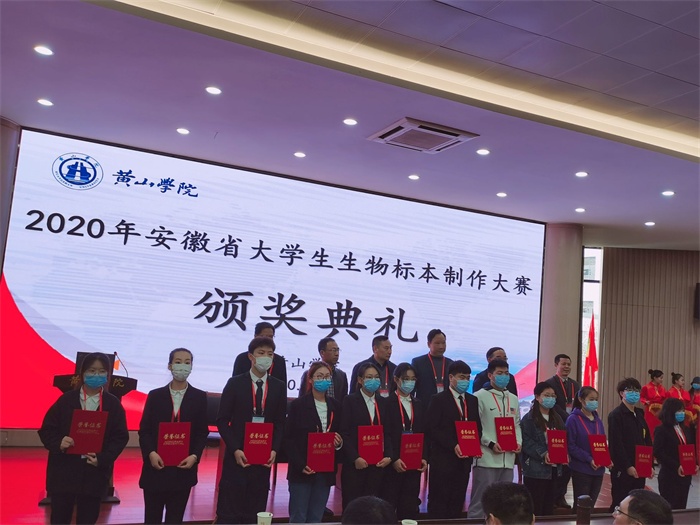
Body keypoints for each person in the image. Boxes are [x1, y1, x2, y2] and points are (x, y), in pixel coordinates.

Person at [38, 352, 129, 525]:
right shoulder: (66, 400)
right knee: (59, 518)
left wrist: (103, 458)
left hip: (94, 473)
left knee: (88, 518)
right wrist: (59, 442)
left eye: (101, 371)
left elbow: (120, 437)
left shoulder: (113, 404)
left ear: (108, 375)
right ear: (82, 373)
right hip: (64, 472)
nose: (96, 375)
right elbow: (47, 430)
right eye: (92, 371)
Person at [215, 336, 287, 524]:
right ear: (251, 357)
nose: (266, 357)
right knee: (229, 513)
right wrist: (235, 449)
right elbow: (222, 420)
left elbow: (280, 422)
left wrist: (274, 449)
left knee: (254, 513)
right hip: (237, 457)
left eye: (270, 354)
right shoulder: (235, 383)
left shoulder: (278, 386)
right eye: (261, 353)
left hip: (263, 460)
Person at [138, 348, 209, 524]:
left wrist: (194, 456)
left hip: (183, 470)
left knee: (175, 519)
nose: (182, 366)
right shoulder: (155, 396)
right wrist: (151, 453)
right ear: (169, 366)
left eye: (187, 362)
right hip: (156, 469)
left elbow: (202, 432)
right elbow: (144, 430)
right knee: (152, 519)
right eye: (178, 362)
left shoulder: (200, 397)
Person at [284, 361, 343, 523]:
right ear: (310, 379)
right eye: (319, 376)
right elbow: (288, 438)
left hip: (325, 470)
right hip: (302, 469)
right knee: (298, 516)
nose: (324, 380)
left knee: (316, 517)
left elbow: (340, 434)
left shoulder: (336, 406)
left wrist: (338, 442)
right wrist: (300, 464)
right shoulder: (298, 405)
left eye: (327, 377)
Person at [425, 359, 481, 519]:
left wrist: (475, 445)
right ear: (451, 377)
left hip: (464, 462)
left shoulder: (472, 400)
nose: (465, 381)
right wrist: (453, 445)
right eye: (461, 377)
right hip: (443, 460)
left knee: (457, 501)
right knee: (439, 501)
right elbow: (432, 429)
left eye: (468, 378)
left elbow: (477, 427)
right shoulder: (438, 399)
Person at [467, 359, 521, 519]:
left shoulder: (513, 398)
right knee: (480, 503)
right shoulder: (479, 396)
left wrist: (518, 442)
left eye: (506, 374)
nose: (504, 377)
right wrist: (489, 443)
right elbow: (476, 427)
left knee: (504, 503)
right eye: (499, 373)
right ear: (490, 375)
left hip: (508, 458)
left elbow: (516, 424)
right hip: (486, 458)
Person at [340, 362, 392, 511]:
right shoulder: (350, 400)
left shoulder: (383, 402)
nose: (373, 380)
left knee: (372, 508)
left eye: (376, 377)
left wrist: (389, 456)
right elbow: (344, 432)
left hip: (377, 464)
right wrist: (355, 458)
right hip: (355, 465)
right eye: (369, 377)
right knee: (353, 506)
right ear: (360, 380)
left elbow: (387, 432)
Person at [381, 363, 427, 520]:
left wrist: (424, 457)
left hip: (413, 463)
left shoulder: (418, 404)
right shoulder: (386, 403)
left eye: (413, 379)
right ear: (396, 379)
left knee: (409, 506)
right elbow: (385, 434)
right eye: (406, 379)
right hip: (393, 465)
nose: (410, 382)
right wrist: (394, 458)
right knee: (388, 506)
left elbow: (424, 433)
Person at [520, 382, 565, 516]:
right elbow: (526, 441)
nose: (550, 398)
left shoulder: (557, 418)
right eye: (547, 395)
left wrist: (564, 453)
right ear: (537, 397)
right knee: (535, 508)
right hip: (535, 470)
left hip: (554, 469)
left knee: (548, 508)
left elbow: (562, 439)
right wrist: (543, 453)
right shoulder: (529, 419)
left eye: (553, 396)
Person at [607, 377, 652, 512]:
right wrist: (627, 466)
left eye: (637, 391)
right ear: (622, 393)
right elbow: (616, 444)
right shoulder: (616, 415)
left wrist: (649, 464)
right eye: (630, 390)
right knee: (620, 503)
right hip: (624, 469)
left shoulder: (639, 413)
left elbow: (647, 439)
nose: (635, 393)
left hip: (641, 466)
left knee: (636, 504)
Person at [544, 353, 580, 509]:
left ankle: (561, 496)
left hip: (572, 428)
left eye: (568, 364)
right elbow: (553, 405)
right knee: (556, 464)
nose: (566, 367)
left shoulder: (575, 385)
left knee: (567, 465)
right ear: (556, 365)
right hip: (556, 425)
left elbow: (578, 404)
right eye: (563, 364)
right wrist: (568, 417)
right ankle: (551, 496)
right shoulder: (549, 383)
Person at [566, 386, 609, 511]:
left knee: (591, 507)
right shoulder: (573, 419)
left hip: (598, 470)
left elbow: (601, 443)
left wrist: (606, 459)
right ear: (581, 399)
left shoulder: (597, 420)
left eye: (596, 399)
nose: (594, 402)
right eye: (591, 399)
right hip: (581, 469)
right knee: (581, 507)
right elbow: (571, 445)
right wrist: (589, 459)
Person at [653, 398, 698, 509]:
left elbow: (691, 448)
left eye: (682, 410)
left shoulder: (686, 429)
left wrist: (695, 464)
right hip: (670, 475)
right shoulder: (661, 430)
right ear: (670, 412)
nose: (682, 413)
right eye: (678, 411)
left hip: (685, 476)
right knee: (669, 508)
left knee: (681, 508)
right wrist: (676, 466)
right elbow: (658, 451)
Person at [298, 337, 348, 404]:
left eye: (337, 350)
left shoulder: (341, 375)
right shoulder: (309, 374)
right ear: (322, 353)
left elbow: (343, 401)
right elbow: (301, 399)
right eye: (333, 350)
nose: (337, 354)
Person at [410, 329, 454, 404]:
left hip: (446, 405)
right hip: (425, 406)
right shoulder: (418, 362)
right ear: (428, 344)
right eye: (437, 343)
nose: (441, 346)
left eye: (443, 343)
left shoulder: (451, 363)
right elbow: (412, 388)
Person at [640, 369, 666, 443]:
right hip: (650, 411)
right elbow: (641, 397)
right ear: (655, 378)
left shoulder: (662, 388)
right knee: (650, 427)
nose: (662, 380)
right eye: (660, 378)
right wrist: (645, 401)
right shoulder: (646, 387)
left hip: (660, 411)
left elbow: (665, 398)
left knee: (660, 427)